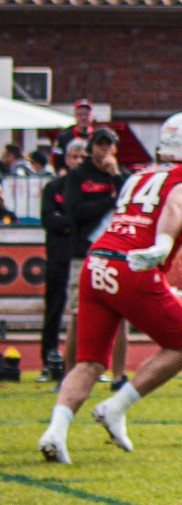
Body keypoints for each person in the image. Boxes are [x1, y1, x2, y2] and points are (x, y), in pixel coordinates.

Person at [37, 114, 182, 464]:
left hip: (97, 261)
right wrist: (163, 243)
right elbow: (178, 202)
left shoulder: (139, 175)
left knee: (89, 361)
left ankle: (55, 432)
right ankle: (116, 407)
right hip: (133, 265)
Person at [59, 128, 130, 381]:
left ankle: (119, 376)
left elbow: (131, 205)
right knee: (78, 313)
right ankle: (68, 375)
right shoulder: (79, 175)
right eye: (100, 144)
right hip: (85, 252)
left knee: (120, 316)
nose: (105, 149)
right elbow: (74, 211)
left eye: (109, 144)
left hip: (117, 253)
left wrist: (116, 176)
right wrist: (108, 201)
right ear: (92, 148)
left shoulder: (123, 176)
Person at [37, 138, 85, 380]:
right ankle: (48, 359)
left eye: (82, 157)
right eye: (74, 157)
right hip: (58, 254)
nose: (78, 161)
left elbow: (95, 215)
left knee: (84, 310)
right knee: (54, 307)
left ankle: (85, 361)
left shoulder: (90, 187)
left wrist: (67, 222)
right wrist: (75, 223)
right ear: (66, 159)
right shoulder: (54, 187)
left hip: (82, 254)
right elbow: (48, 219)